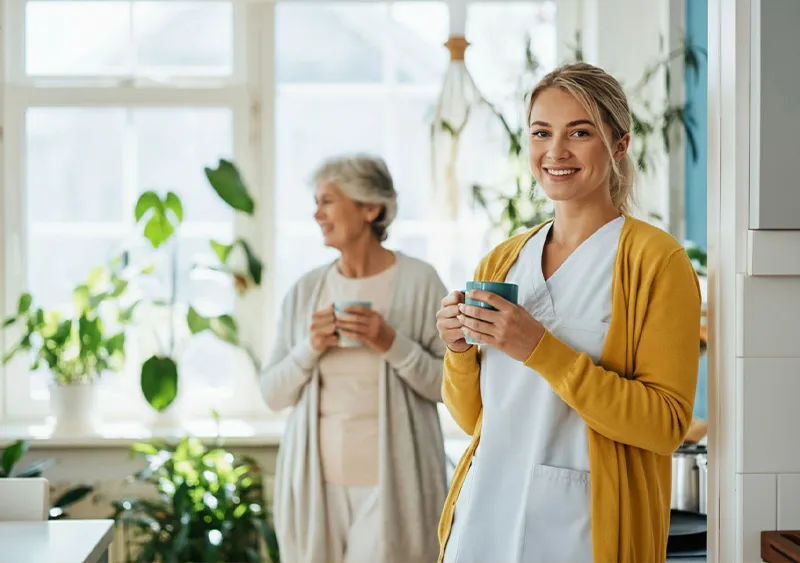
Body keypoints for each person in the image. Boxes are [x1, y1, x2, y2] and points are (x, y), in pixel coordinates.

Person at [435, 62, 701, 563]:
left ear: (619, 145)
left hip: (588, 531)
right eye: (541, 133)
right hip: (484, 523)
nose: (555, 152)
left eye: (580, 132)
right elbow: (474, 418)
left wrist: (540, 349)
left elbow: (665, 426)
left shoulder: (654, 262)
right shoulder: (503, 260)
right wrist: (458, 350)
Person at [261, 154, 448, 563]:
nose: (317, 214)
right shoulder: (305, 290)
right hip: (316, 486)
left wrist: (390, 342)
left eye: (327, 201)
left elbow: (450, 385)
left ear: (370, 208)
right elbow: (272, 395)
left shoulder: (421, 282)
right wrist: (309, 347)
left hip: (395, 486)